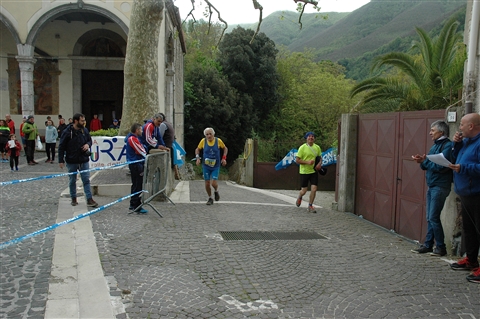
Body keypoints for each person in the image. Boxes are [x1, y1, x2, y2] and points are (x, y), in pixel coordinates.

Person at [411, 120, 453, 256]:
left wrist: (425, 162)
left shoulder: (447, 146)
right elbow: (426, 164)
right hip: (432, 185)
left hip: (440, 186)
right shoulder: (435, 146)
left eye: (433, 130)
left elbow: (443, 166)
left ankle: (440, 247)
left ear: (441, 132)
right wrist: (421, 161)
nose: (430, 133)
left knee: (433, 217)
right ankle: (428, 244)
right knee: (430, 217)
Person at [448, 113, 480, 284]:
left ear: (471, 126)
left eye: (461, 124)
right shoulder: (466, 142)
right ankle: (472, 260)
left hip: (477, 193)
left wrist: (464, 167)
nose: (459, 128)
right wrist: (456, 145)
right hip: (465, 193)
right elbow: (455, 158)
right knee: (469, 230)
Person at [58, 113, 99, 208]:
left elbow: (90, 140)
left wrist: (88, 145)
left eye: (84, 120)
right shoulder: (67, 132)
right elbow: (61, 146)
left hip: (83, 159)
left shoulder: (84, 130)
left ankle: (89, 198)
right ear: (76, 121)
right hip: (71, 160)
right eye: (82, 120)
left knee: (86, 180)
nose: (84, 122)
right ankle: (73, 198)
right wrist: (61, 160)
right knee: (72, 180)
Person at [195, 127, 228, 205]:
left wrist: (224, 158)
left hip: (215, 166)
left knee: (213, 183)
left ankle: (216, 191)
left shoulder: (218, 141)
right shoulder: (203, 141)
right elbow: (197, 149)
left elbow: (225, 148)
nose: (209, 136)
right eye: (207, 134)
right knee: (207, 183)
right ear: (205, 135)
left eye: (210, 134)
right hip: (206, 166)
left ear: (213, 134)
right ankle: (210, 198)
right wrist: (197, 158)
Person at [295, 131, 322, 213]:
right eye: (309, 136)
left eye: (312, 136)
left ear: (314, 138)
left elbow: (320, 158)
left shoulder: (317, 147)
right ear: (306, 138)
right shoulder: (302, 148)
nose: (311, 138)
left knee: (314, 189)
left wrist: (319, 164)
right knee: (304, 190)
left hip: (313, 171)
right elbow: (297, 160)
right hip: (304, 171)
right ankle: (300, 196)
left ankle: (310, 205)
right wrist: (307, 162)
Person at [125, 123, 148, 214]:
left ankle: (134, 204)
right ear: (137, 130)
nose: (142, 131)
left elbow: (142, 148)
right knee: (137, 184)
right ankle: (135, 205)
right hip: (136, 164)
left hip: (137, 163)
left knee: (137, 184)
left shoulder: (135, 139)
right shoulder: (132, 139)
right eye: (141, 130)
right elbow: (142, 151)